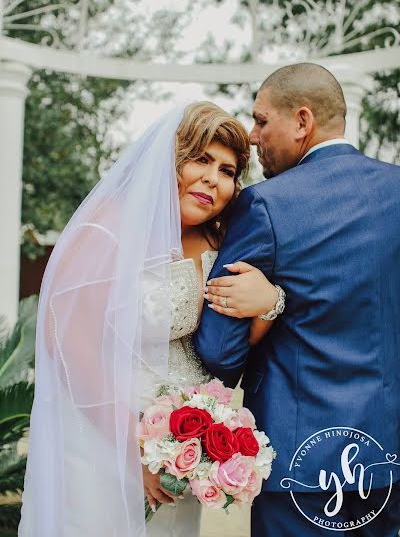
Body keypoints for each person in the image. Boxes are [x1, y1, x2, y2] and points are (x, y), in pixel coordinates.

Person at [19, 101, 280, 537]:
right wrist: (134, 449)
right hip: (104, 437)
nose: (213, 179)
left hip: (183, 451)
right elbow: (68, 344)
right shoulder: (107, 230)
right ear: (170, 158)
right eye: (201, 159)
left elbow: (228, 341)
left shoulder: (220, 241)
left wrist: (269, 301)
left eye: (228, 171)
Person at [194, 64, 400, 536]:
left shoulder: (265, 204)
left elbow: (219, 349)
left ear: (302, 122)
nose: (251, 135)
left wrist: (272, 308)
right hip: (388, 458)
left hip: (302, 462)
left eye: (262, 121)